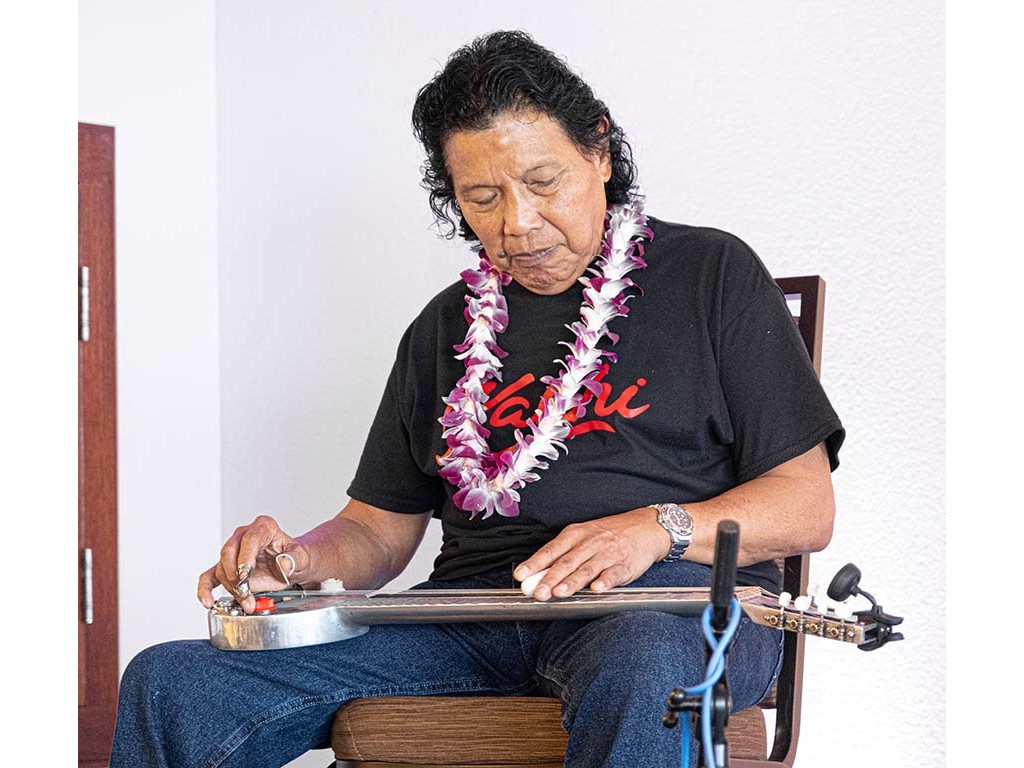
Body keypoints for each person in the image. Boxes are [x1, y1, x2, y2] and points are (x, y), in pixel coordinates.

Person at [110, 30, 843, 768]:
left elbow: (807, 507)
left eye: (543, 181)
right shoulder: (445, 326)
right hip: (470, 614)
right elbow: (377, 530)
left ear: (599, 150)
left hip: (667, 605)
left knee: (642, 661)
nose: (516, 223)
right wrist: (294, 564)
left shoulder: (712, 275)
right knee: (175, 681)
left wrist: (655, 530)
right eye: (482, 197)